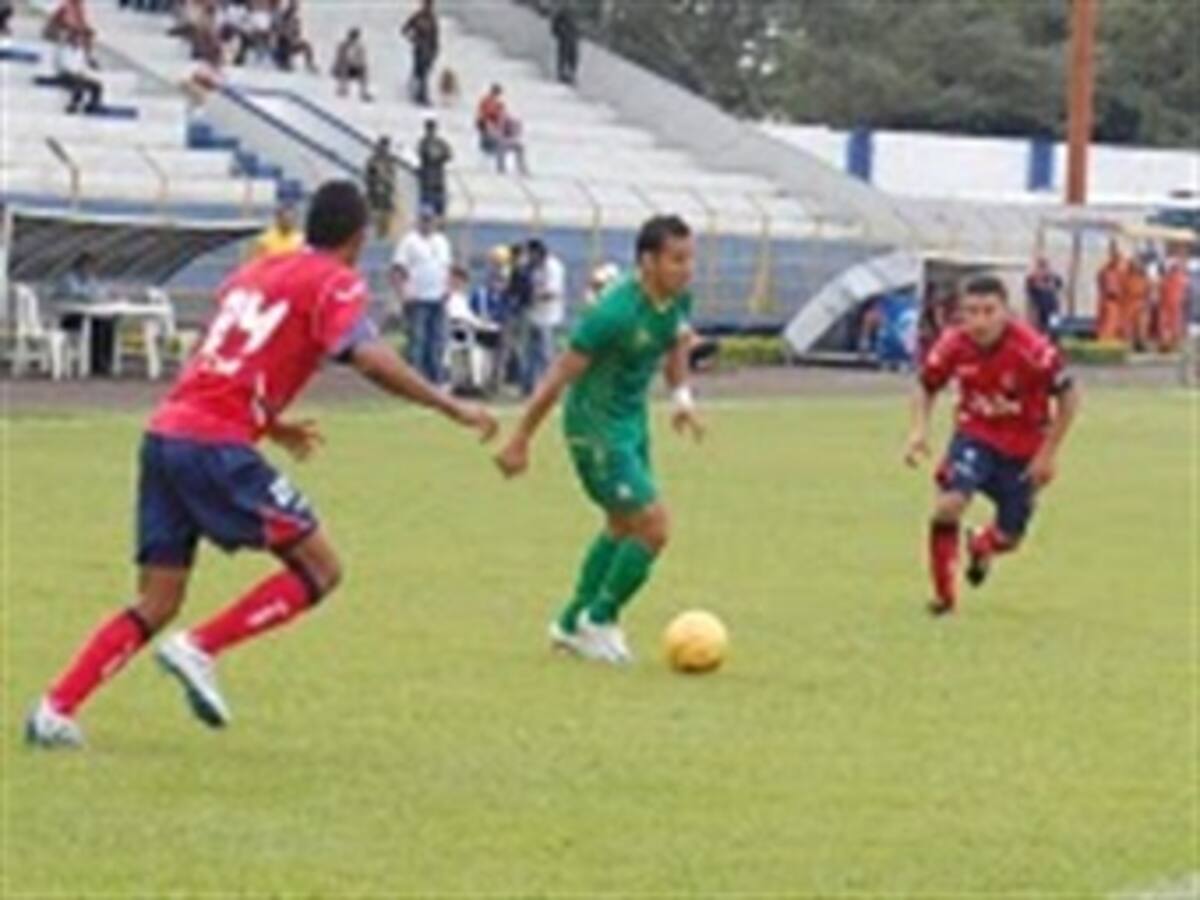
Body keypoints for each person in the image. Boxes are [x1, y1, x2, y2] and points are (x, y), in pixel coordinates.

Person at [24, 180, 498, 748]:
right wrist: (449, 404)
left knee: (158, 599)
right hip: (215, 445)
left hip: (167, 433)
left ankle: (55, 708)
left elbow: (217, 354)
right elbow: (369, 358)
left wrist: (270, 422)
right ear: (358, 237)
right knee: (321, 569)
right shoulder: (335, 281)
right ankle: (200, 647)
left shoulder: (257, 271)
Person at [493, 215, 705, 664]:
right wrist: (521, 438)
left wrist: (681, 398)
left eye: (690, 259)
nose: (687, 269)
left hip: (631, 424)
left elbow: (677, 342)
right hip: (595, 430)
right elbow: (558, 376)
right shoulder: (613, 313)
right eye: (677, 259)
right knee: (654, 527)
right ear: (648, 261)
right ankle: (601, 619)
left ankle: (570, 624)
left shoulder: (678, 298)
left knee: (622, 525)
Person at [903, 275, 1081, 618]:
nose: (980, 321)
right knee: (949, 506)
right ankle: (943, 598)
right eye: (971, 312)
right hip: (976, 436)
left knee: (1009, 537)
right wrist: (918, 431)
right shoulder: (953, 344)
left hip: (1023, 450)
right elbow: (925, 385)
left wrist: (1048, 454)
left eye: (988, 311)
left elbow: (1069, 397)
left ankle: (983, 545)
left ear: (1006, 312)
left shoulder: (1032, 349)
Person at [390, 206, 452, 384]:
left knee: (437, 340)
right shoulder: (409, 241)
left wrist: (447, 288)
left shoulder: (442, 241)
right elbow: (398, 270)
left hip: (438, 297)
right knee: (417, 340)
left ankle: (435, 379)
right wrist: (402, 293)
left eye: (430, 220)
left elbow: (446, 267)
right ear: (418, 221)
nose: (427, 223)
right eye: (424, 219)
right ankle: (413, 379)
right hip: (417, 298)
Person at [54, 251, 116, 376]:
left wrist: (107, 296)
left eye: (93, 266)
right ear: (80, 265)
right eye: (89, 266)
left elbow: (99, 292)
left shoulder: (91, 279)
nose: (91, 269)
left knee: (108, 324)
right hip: (70, 318)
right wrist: (96, 297)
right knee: (97, 325)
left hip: (86, 315)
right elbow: (79, 295)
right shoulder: (69, 279)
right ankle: (95, 362)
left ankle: (105, 362)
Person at [523, 238, 565, 395]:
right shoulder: (532, 267)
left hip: (549, 316)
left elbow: (553, 292)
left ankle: (551, 387)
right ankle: (529, 387)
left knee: (546, 354)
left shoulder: (553, 267)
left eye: (531, 254)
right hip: (533, 314)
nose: (529, 257)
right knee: (530, 354)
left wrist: (533, 295)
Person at [52, 30, 103, 114]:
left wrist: (85, 70)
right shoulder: (64, 50)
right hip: (65, 75)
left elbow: (81, 65)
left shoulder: (80, 51)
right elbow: (64, 65)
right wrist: (76, 74)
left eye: (80, 40)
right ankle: (73, 105)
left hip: (77, 75)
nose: (79, 41)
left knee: (96, 85)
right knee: (78, 85)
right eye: (77, 39)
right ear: (71, 39)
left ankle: (92, 106)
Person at [401, 0, 438, 107]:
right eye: (427, 5)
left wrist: (435, 51)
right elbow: (404, 29)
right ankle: (417, 94)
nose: (429, 7)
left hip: (428, 50)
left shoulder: (432, 19)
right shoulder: (417, 17)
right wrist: (412, 38)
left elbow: (435, 37)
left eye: (430, 5)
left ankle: (420, 95)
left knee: (424, 73)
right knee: (419, 72)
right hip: (418, 49)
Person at [416, 118, 453, 218]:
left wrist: (438, 155)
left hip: (438, 178)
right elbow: (426, 154)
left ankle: (439, 222)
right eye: (429, 128)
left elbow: (449, 154)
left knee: (439, 208)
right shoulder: (423, 142)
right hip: (427, 179)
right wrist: (437, 155)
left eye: (432, 128)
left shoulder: (440, 142)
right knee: (426, 207)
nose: (431, 131)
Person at [364, 136, 397, 239]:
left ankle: (382, 235)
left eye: (386, 146)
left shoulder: (390, 161)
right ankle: (369, 234)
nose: (384, 149)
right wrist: (375, 182)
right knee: (371, 215)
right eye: (382, 146)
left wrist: (389, 185)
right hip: (374, 192)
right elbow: (367, 177)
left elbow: (392, 177)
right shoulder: (372, 160)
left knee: (386, 217)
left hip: (385, 193)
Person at [1157, 248, 1190, 353]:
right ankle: (1169, 344)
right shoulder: (1179, 278)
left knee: (1170, 325)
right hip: (1172, 304)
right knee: (1171, 325)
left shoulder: (1171, 279)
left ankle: (1169, 344)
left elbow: (1161, 291)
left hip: (1172, 304)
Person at [1024, 256, 1063, 340]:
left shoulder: (1052, 278)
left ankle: (1053, 341)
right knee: (1039, 333)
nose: (1043, 272)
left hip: (1053, 311)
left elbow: (1059, 283)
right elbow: (1031, 288)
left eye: (1044, 268)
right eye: (1040, 268)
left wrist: (1050, 276)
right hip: (1039, 313)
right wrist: (1039, 279)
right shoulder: (1032, 279)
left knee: (1055, 332)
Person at [1096, 242, 1126, 341]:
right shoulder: (1106, 270)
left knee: (1113, 322)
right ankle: (1105, 339)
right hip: (1109, 300)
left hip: (1117, 302)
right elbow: (1101, 281)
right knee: (1107, 322)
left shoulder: (1120, 270)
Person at [333, 28, 372, 101]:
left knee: (363, 69)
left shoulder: (359, 47)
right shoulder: (343, 46)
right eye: (352, 36)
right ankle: (343, 88)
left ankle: (363, 92)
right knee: (344, 66)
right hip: (342, 68)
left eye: (355, 37)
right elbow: (339, 59)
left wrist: (358, 65)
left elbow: (361, 60)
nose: (353, 39)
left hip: (353, 68)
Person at [550, 3, 579, 85]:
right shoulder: (562, 12)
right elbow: (555, 25)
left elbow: (576, 27)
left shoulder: (574, 13)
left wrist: (577, 34)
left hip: (572, 38)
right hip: (564, 38)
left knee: (573, 56)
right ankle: (561, 73)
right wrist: (560, 32)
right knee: (563, 55)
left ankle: (571, 74)